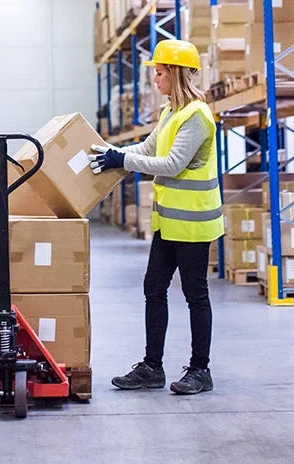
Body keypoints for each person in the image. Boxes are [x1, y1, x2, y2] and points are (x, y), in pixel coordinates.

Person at [91, 39, 223, 395]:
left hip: (194, 222)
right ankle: (152, 367)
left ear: (176, 74)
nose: (155, 79)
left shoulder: (196, 116)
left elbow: (171, 164)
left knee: (195, 294)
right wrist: (111, 153)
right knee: (154, 288)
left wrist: (123, 161)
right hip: (169, 220)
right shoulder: (170, 112)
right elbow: (148, 149)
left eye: (160, 72)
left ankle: (200, 370)